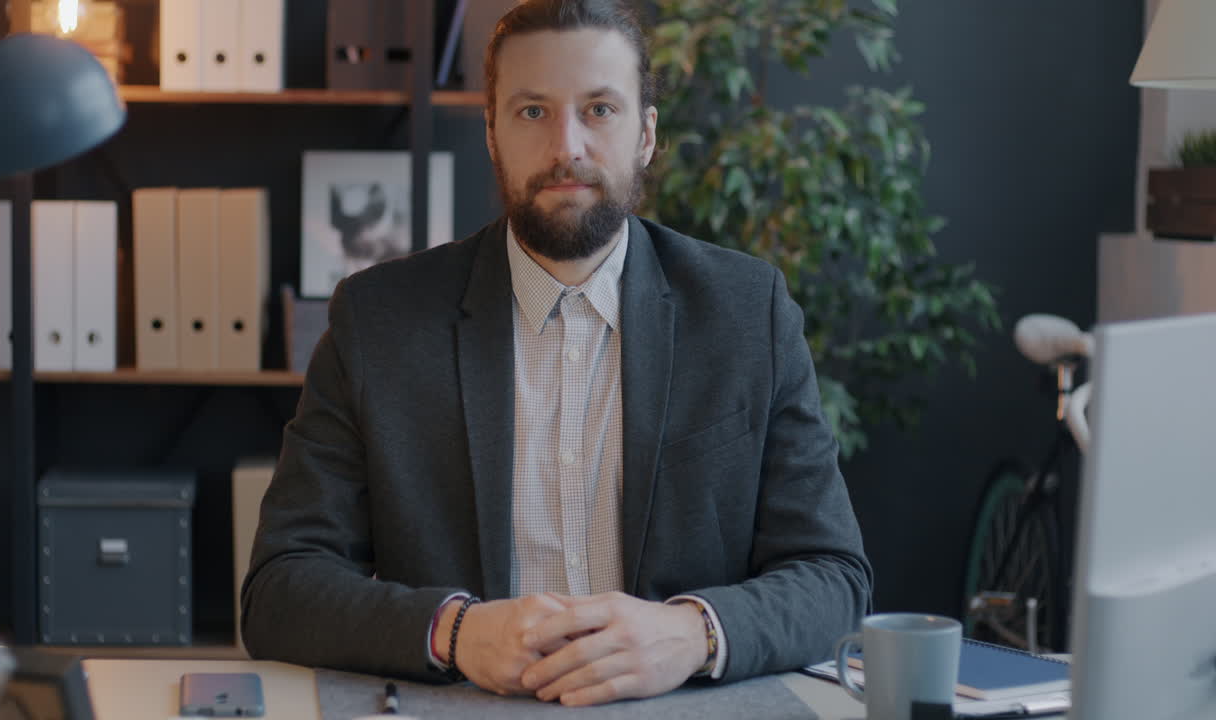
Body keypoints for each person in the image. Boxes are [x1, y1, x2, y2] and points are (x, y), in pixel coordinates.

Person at [242, 0, 872, 707]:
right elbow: (280, 588)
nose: (565, 146)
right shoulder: (378, 322)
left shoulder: (745, 314)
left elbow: (832, 575)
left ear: (646, 135)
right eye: (532, 112)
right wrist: (456, 631)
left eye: (599, 109)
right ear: (491, 133)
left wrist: (691, 633)